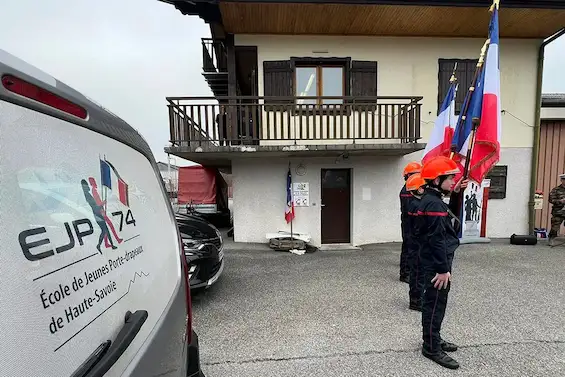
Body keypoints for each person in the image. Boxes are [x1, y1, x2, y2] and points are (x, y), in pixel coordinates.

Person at [416, 156, 462, 370]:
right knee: (435, 304)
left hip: (435, 260)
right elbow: (436, 238)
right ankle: (431, 347)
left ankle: (434, 338)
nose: (453, 181)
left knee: (436, 304)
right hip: (436, 264)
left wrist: (456, 194)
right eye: (450, 178)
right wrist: (442, 269)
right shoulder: (433, 203)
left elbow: (447, 217)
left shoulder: (432, 199)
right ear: (436, 180)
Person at [404, 173, 427, 311]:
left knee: (416, 272)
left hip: (414, 242)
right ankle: (416, 301)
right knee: (418, 273)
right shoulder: (417, 205)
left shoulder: (413, 203)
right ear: (419, 189)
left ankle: (416, 299)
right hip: (418, 243)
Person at [399, 161, 422, 283]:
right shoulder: (407, 191)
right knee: (408, 247)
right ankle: (405, 273)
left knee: (411, 247)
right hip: (409, 222)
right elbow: (412, 208)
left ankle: (408, 270)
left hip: (411, 222)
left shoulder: (412, 189)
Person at [81, 179, 117, 253]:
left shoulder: (88, 194)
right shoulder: (87, 195)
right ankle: (107, 245)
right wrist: (103, 203)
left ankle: (103, 245)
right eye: (86, 185)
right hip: (97, 215)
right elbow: (95, 207)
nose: (88, 186)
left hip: (98, 214)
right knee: (105, 230)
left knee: (104, 230)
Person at [88, 177, 123, 246]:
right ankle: (116, 240)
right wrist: (104, 202)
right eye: (93, 181)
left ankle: (107, 243)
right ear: (92, 183)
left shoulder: (94, 190)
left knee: (107, 227)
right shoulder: (94, 191)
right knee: (109, 225)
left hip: (101, 211)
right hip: (101, 211)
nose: (95, 182)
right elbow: (98, 204)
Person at [548, 173, 565, 245]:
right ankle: (551, 238)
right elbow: (551, 199)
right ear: (561, 180)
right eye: (564, 180)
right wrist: (560, 201)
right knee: (555, 227)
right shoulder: (556, 190)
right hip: (558, 211)